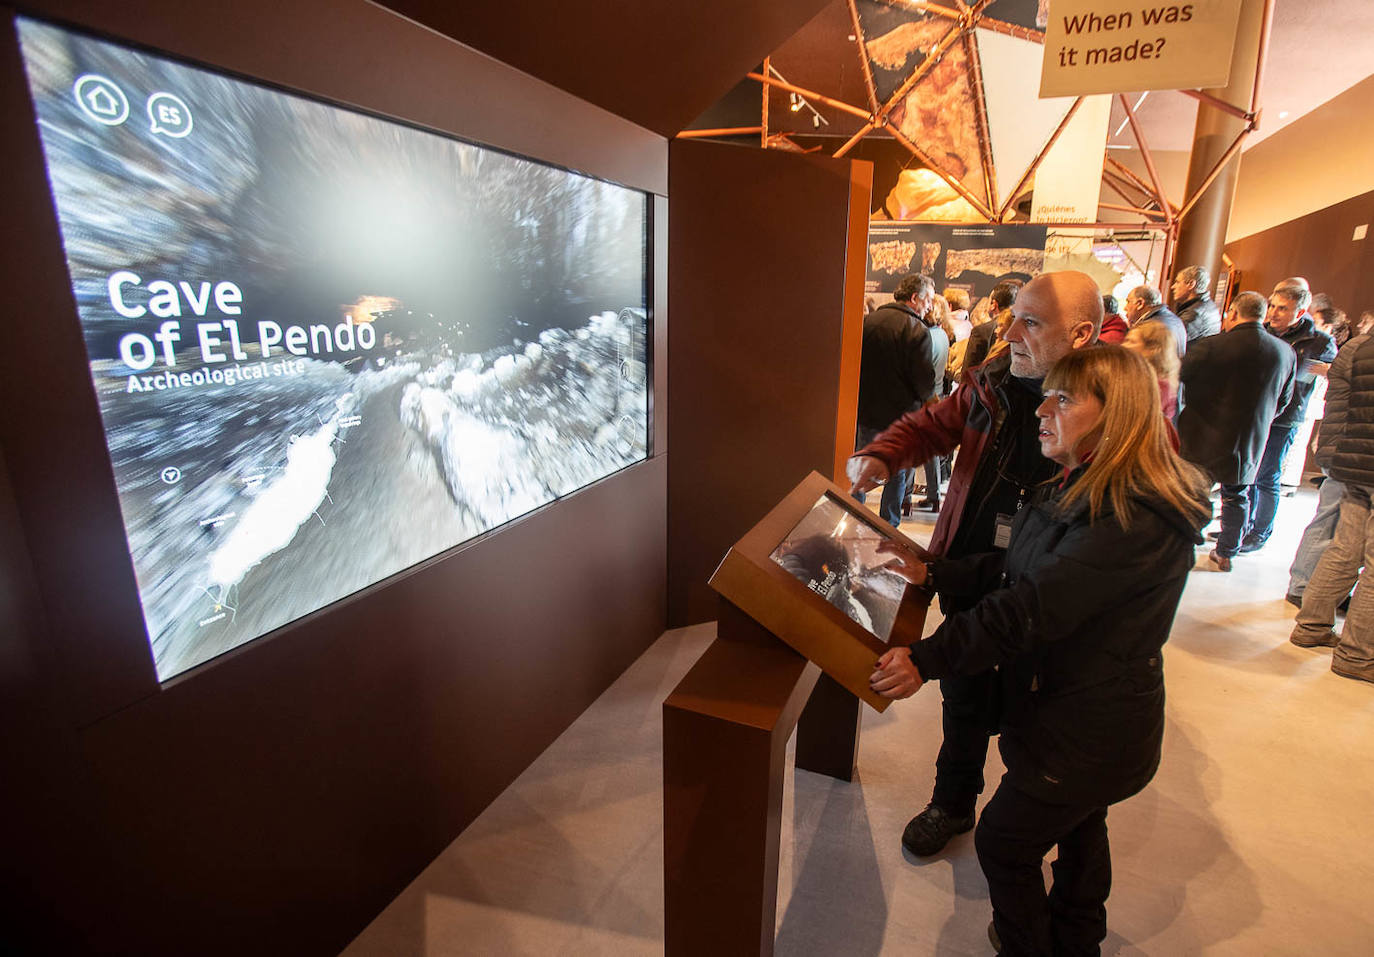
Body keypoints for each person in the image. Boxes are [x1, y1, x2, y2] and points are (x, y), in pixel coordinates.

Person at [869, 345, 1211, 956]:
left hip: (1090, 725)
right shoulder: (1082, 484)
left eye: (1064, 398)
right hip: (1068, 712)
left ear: (1117, 414)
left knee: (1005, 840)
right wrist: (935, 574)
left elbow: (1030, 606)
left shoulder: (1130, 516)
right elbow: (1016, 567)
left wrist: (926, 659)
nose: (1041, 411)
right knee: (1081, 828)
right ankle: (1078, 939)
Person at [848, 270, 1103, 858]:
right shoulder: (991, 381)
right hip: (967, 570)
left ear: (1082, 334)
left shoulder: (1109, 409)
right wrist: (883, 455)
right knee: (963, 699)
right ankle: (952, 805)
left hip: (1046, 591)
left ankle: (1031, 830)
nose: (1010, 332)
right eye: (1014, 315)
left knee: (1036, 718)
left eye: (1031, 323)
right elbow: (935, 424)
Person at [1176, 291, 1295, 571]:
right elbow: (1285, 400)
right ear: (1263, 315)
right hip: (1248, 437)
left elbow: (1177, 377)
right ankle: (1227, 551)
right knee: (1237, 496)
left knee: (1193, 494)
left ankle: (1183, 544)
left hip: (1201, 433)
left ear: (1232, 313)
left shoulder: (1209, 346)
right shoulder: (1284, 351)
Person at [1289, 329, 1374, 684]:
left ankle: (1311, 626)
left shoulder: (1364, 346)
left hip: (1354, 460)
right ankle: (1356, 654)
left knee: (1345, 548)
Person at [1239, 282, 1337, 553]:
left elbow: (1333, 370)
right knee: (1248, 471)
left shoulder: (1318, 340)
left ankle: (1259, 532)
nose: (1274, 312)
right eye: (1272, 306)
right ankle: (1243, 526)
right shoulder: (1264, 332)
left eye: (1283, 308)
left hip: (1286, 416)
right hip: (1256, 412)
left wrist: (1322, 369)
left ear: (1301, 311)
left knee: (1267, 475)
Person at [854, 274, 940, 527]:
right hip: (901, 420)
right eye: (928, 300)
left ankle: (853, 518)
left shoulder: (868, 322)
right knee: (897, 476)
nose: (930, 307)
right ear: (914, 298)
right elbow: (923, 381)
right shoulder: (916, 330)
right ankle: (887, 526)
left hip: (866, 414)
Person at [961, 279, 1023, 380]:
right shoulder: (1023, 331)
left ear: (994, 304)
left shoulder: (981, 331)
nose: (997, 330)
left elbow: (968, 372)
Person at [1124, 320, 1180, 418]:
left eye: (1131, 342)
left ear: (1152, 350)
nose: (1123, 345)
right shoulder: (1139, 376)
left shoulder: (1159, 387)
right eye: (1126, 340)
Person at [1125, 284, 1186, 358]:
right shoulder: (1175, 319)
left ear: (1140, 303)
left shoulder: (1150, 327)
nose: (1125, 308)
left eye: (1128, 302)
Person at [1171, 265, 1221, 341]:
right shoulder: (1207, 304)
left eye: (1177, 282)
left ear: (1191, 284)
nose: (1173, 287)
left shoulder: (1195, 313)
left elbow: (1171, 340)